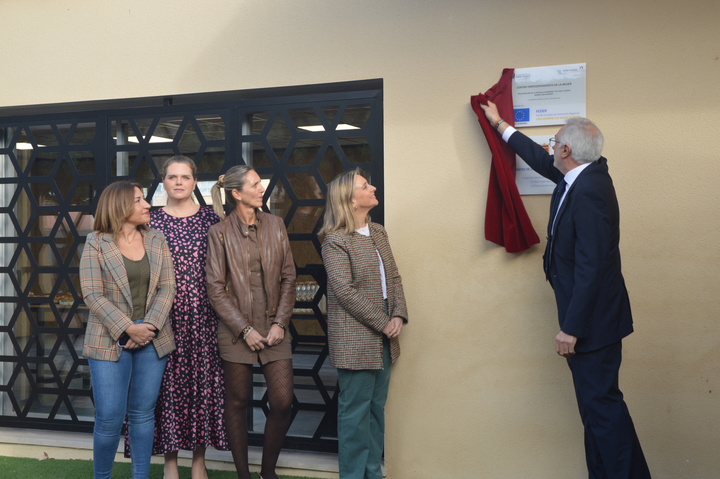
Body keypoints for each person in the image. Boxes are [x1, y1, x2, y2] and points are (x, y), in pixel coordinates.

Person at [481, 101, 651, 479]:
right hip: (597, 321)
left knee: (603, 413)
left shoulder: (588, 190)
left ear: (566, 151)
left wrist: (571, 328)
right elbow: (539, 161)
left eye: (553, 141)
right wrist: (500, 125)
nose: (550, 146)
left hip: (593, 326)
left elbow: (593, 267)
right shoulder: (582, 177)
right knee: (596, 413)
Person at [205, 165, 296, 479]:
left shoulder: (276, 224)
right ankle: (244, 475)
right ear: (236, 193)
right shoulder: (219, 233)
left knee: (283, 401)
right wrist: (244, 329)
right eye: (255, 184)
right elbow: (215, 287)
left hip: (275, 329)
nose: (262, 189)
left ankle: (266, 472)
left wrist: (280, 323)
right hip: (235, 333)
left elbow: (288, 277)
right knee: (238, 401)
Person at [80, 181, 176, 479]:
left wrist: (148, 327)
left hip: (153, 338)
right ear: (119, 206)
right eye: (138, 200)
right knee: (108, 418)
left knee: (143, 415)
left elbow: (167, 286)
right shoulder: (96, 241)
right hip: (108, 340)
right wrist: (127, 329)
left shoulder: (157, 239)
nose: (147, 205)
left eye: (144, 200)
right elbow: (92, 294)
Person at [142, 156, 229, 478]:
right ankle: (169, 463)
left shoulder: (212, 219)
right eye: (172, 176)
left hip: (205, 319)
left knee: (203, 389)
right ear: (163, 182)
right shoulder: (149, 221)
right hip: (163, 319)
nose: (179, 182)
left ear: (195, 182)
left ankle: (198, 462)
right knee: (166, 391)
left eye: (186, 176)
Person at [320, 168, 408, 479]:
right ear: (349, 199)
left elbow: (394, 278)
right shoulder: (334, 241)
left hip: (385, 330)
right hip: (356, 336)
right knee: (354, 414)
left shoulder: (379, 231)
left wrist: (397, 314)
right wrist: (383, 321)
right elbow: (344, 290)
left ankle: (373, 473)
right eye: (364, 185)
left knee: (375, 410)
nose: (372, 188)